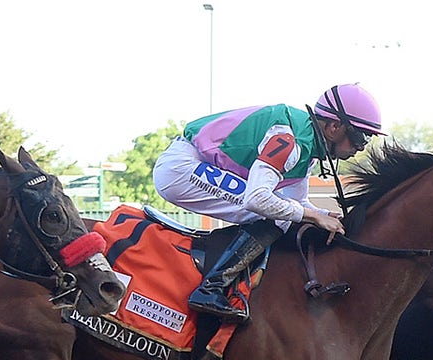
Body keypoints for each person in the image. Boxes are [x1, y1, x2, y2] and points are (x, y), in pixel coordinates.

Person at [153, 83, 384, 322]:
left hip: (195, 163)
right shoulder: (289, 141)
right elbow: (258, 199)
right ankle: (211, 288)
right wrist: (314, 216)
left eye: (367, 139)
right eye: (359, 136)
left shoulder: (308, 144)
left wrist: (324, 213)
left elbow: (297, 201)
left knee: (286, 212)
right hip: (181, 168)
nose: (360, 147)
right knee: (276, 215)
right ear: (334, 127)